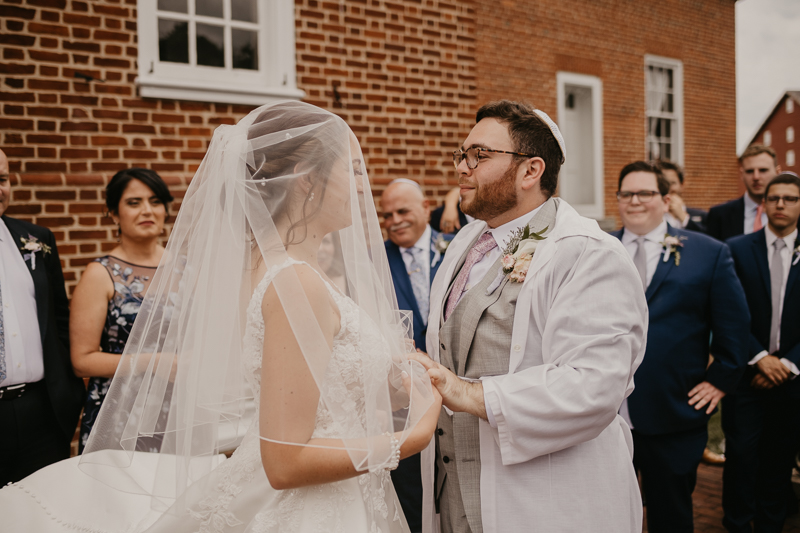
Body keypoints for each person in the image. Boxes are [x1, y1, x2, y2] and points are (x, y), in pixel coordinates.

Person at [0, 102, 441, 533]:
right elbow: (285, 461)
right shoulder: (295, 283)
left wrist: (389, 375)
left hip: (341, 494)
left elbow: (320, 384)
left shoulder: (280, 271)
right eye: (355, 170)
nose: (364, 187)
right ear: (308, 180)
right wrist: (414, 436)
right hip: (307, 508)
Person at [411, 100, 648, 533]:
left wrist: (467, 394)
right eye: (462, 154)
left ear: (530, 170)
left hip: (545, 503)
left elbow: (594, 385)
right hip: (455, 498)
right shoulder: (465, 243)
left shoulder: (589, 253)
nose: (462, 167)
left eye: (479, 155)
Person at [610, 161, 750, 533]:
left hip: (673, 411)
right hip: (602, 413)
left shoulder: (708, 253)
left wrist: (720, 380)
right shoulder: (597, 249)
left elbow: (733, 327)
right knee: (603, 513)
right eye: (626, 193)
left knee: (670, 513)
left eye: (645, 193)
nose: (634, 201)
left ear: (666, 198)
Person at [70, 168, 173, 452]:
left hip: (177, 409)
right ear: (114, 214)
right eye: (133, 202)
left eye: (155, 201)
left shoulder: (189, 269)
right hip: (119, 411)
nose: (146, 210)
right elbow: (82, 361)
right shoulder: (100, 273)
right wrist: (156, 362)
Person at [0, 148, 85, 485]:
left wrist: (68, 397)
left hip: (42, 414)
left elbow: (59, 320)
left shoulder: (36, 239)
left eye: (2, 179)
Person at [723, 172, 800, 533]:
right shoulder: (735, 249)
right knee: (740, 459)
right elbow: (726, 312)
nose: (781, 204)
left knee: (779, 461)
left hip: (793, 379)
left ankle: (771, 525)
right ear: (764, 203)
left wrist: (786, 362)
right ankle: (737, 524)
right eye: (775, 198)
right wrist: (760, 358)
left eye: (791, 198)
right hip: (747, 376)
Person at [381, 178, 452, 533]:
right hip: (404, 406)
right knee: (411, 498)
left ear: (426, 208)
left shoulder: (456, 250)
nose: (394, 220)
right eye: (387, 214)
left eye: (403, 210)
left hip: (457, 398)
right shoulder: (373, 262)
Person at [706, 145, 782, 242]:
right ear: (742, 174)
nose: (756, 177)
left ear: (778, 172)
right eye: (750, 171)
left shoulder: (793, 214)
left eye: (763, 170)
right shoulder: (720, 215)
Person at [657, 160, 708, 232]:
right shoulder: (649, 217)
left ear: (682, 185)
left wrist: (684, 218)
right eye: (663, 183)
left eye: (672, 183)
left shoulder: (701, 216)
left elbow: (709, 240)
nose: (668, 188)